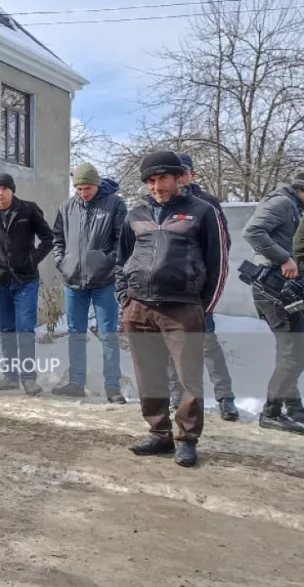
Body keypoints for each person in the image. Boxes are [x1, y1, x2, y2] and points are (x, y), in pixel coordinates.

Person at [117, 151, 227, 468]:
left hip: (183, 308)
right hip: (139, 307)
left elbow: (218, 264)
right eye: (150, 181)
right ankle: (159, 434)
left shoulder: (202, 211)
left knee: (187, 378)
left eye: (162, 178)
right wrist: (125, 299)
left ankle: (187, 439)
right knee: (149, 375)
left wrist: (203, 307)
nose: (157, 186)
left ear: (178, 177)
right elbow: (120, 259)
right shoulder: (135, 213)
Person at [166, 153, 238, 421]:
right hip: (170, 289)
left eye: (183, 172)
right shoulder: (164, 203)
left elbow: (222, 246)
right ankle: (177, 394)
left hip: (197, 290)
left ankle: (225, 397)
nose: (179, 177)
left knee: (208, 344)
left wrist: (205, 281)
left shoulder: (207, 204)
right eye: (175, 172)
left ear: (191, 174)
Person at [51, 163, 127, 403]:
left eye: (88, 188)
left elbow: (123, 241)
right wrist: (62, 262)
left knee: (108, 334)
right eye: (79, 188)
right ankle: (76, 382)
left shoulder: (115, 204)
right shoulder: (67, 207)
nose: (83, 193)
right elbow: (57, 239)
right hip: (73, 281)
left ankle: (113, 386)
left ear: (97, 184)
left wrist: (107, 262)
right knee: (75, 333)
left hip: (104, 280)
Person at [243, 172, 304, 434]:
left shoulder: (292, 206)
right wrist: (284, 259)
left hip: (281, 288)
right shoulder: (281, 202)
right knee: (293, 352)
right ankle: (272, 411)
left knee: (291, 350)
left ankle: (292, 406)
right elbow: (252, 231)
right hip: (273, 287)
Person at [0, 172, 53, 396]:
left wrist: (33, 259)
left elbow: (48, 238)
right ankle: (11, 377)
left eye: (4, 188)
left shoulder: (28, 210)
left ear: (12, 190)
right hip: (0, 280)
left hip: (25, 280)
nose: (1, 193)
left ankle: (29, 378)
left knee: (25, 328)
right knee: (7, 329)